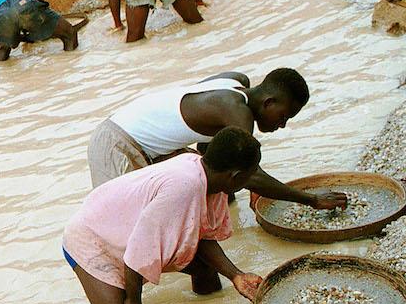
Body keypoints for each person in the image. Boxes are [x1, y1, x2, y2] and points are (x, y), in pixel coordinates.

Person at [64, 128, 266, 304]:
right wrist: (134, 302)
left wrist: (236, 276)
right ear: (235, 177)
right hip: (92, 239)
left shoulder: (205, 174)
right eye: (251, 174)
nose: (253, 179)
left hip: (124, 230)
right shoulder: (183, 187)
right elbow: (139, 248)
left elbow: (203, 236)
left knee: (206, 272)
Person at [87, 68, 348, 213]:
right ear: (268, 102)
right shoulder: (238, 111)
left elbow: (209, 147)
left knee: (208, 195)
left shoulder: (236, 81)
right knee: (120, 223)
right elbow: (250, 174)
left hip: (148, 139)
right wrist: (311, 200)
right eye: (283, 117)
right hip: (118, 143)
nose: (282, 125)